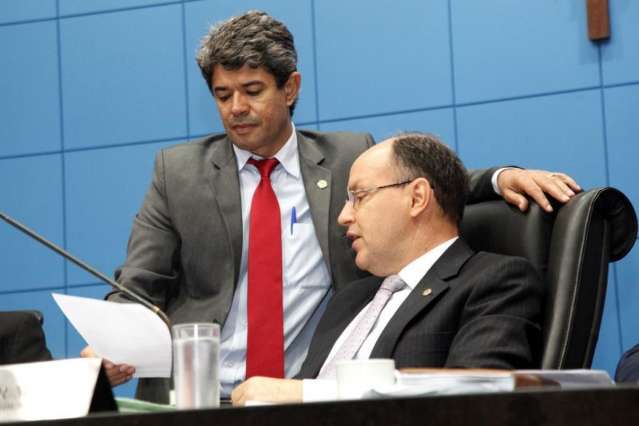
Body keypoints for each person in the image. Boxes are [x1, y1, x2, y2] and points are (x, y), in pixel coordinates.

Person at [81, 11, 579, 402]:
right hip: (198, 396)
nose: (236, 108)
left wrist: (499, 178)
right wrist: (113, 343)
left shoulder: (346, 158)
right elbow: (138, 284)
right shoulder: (178, 172)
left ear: (290, 88)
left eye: (252, 91)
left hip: (304, 394)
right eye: (222, 94)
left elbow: (417, 182)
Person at [231, 132, 544, 405]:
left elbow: (477, 398)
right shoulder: (348, 300)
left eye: (358, 197)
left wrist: (307, 394)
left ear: (417, 198)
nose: (343, 216)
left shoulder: (495, 282)